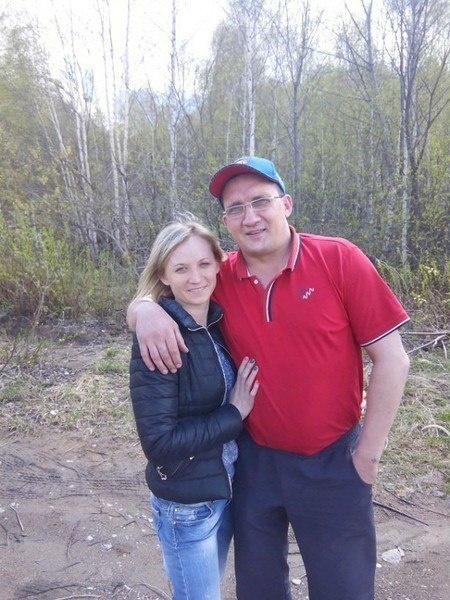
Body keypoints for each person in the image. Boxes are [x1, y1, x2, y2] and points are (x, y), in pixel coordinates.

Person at [127, 157, 410, 600]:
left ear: (287, 204)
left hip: (332, 460)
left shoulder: (338, 259)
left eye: (260, 201)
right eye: (236, 208)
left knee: (344, 589)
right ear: (226, 222)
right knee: (259, 589)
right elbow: (163, 288)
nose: (250, 217)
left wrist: (368, 455)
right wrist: (143, 311)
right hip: (254, 462)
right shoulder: (219, 275)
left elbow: (393, 360)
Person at [129, 217, 259, 600]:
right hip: (187, 506)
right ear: (164, 275)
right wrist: (234, 414)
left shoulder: (215, 321)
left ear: (219, 264)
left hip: (222, 488)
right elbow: (159, 444)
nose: (196, 277)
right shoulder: (159, 337)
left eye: (204, 264)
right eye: (181, 268)